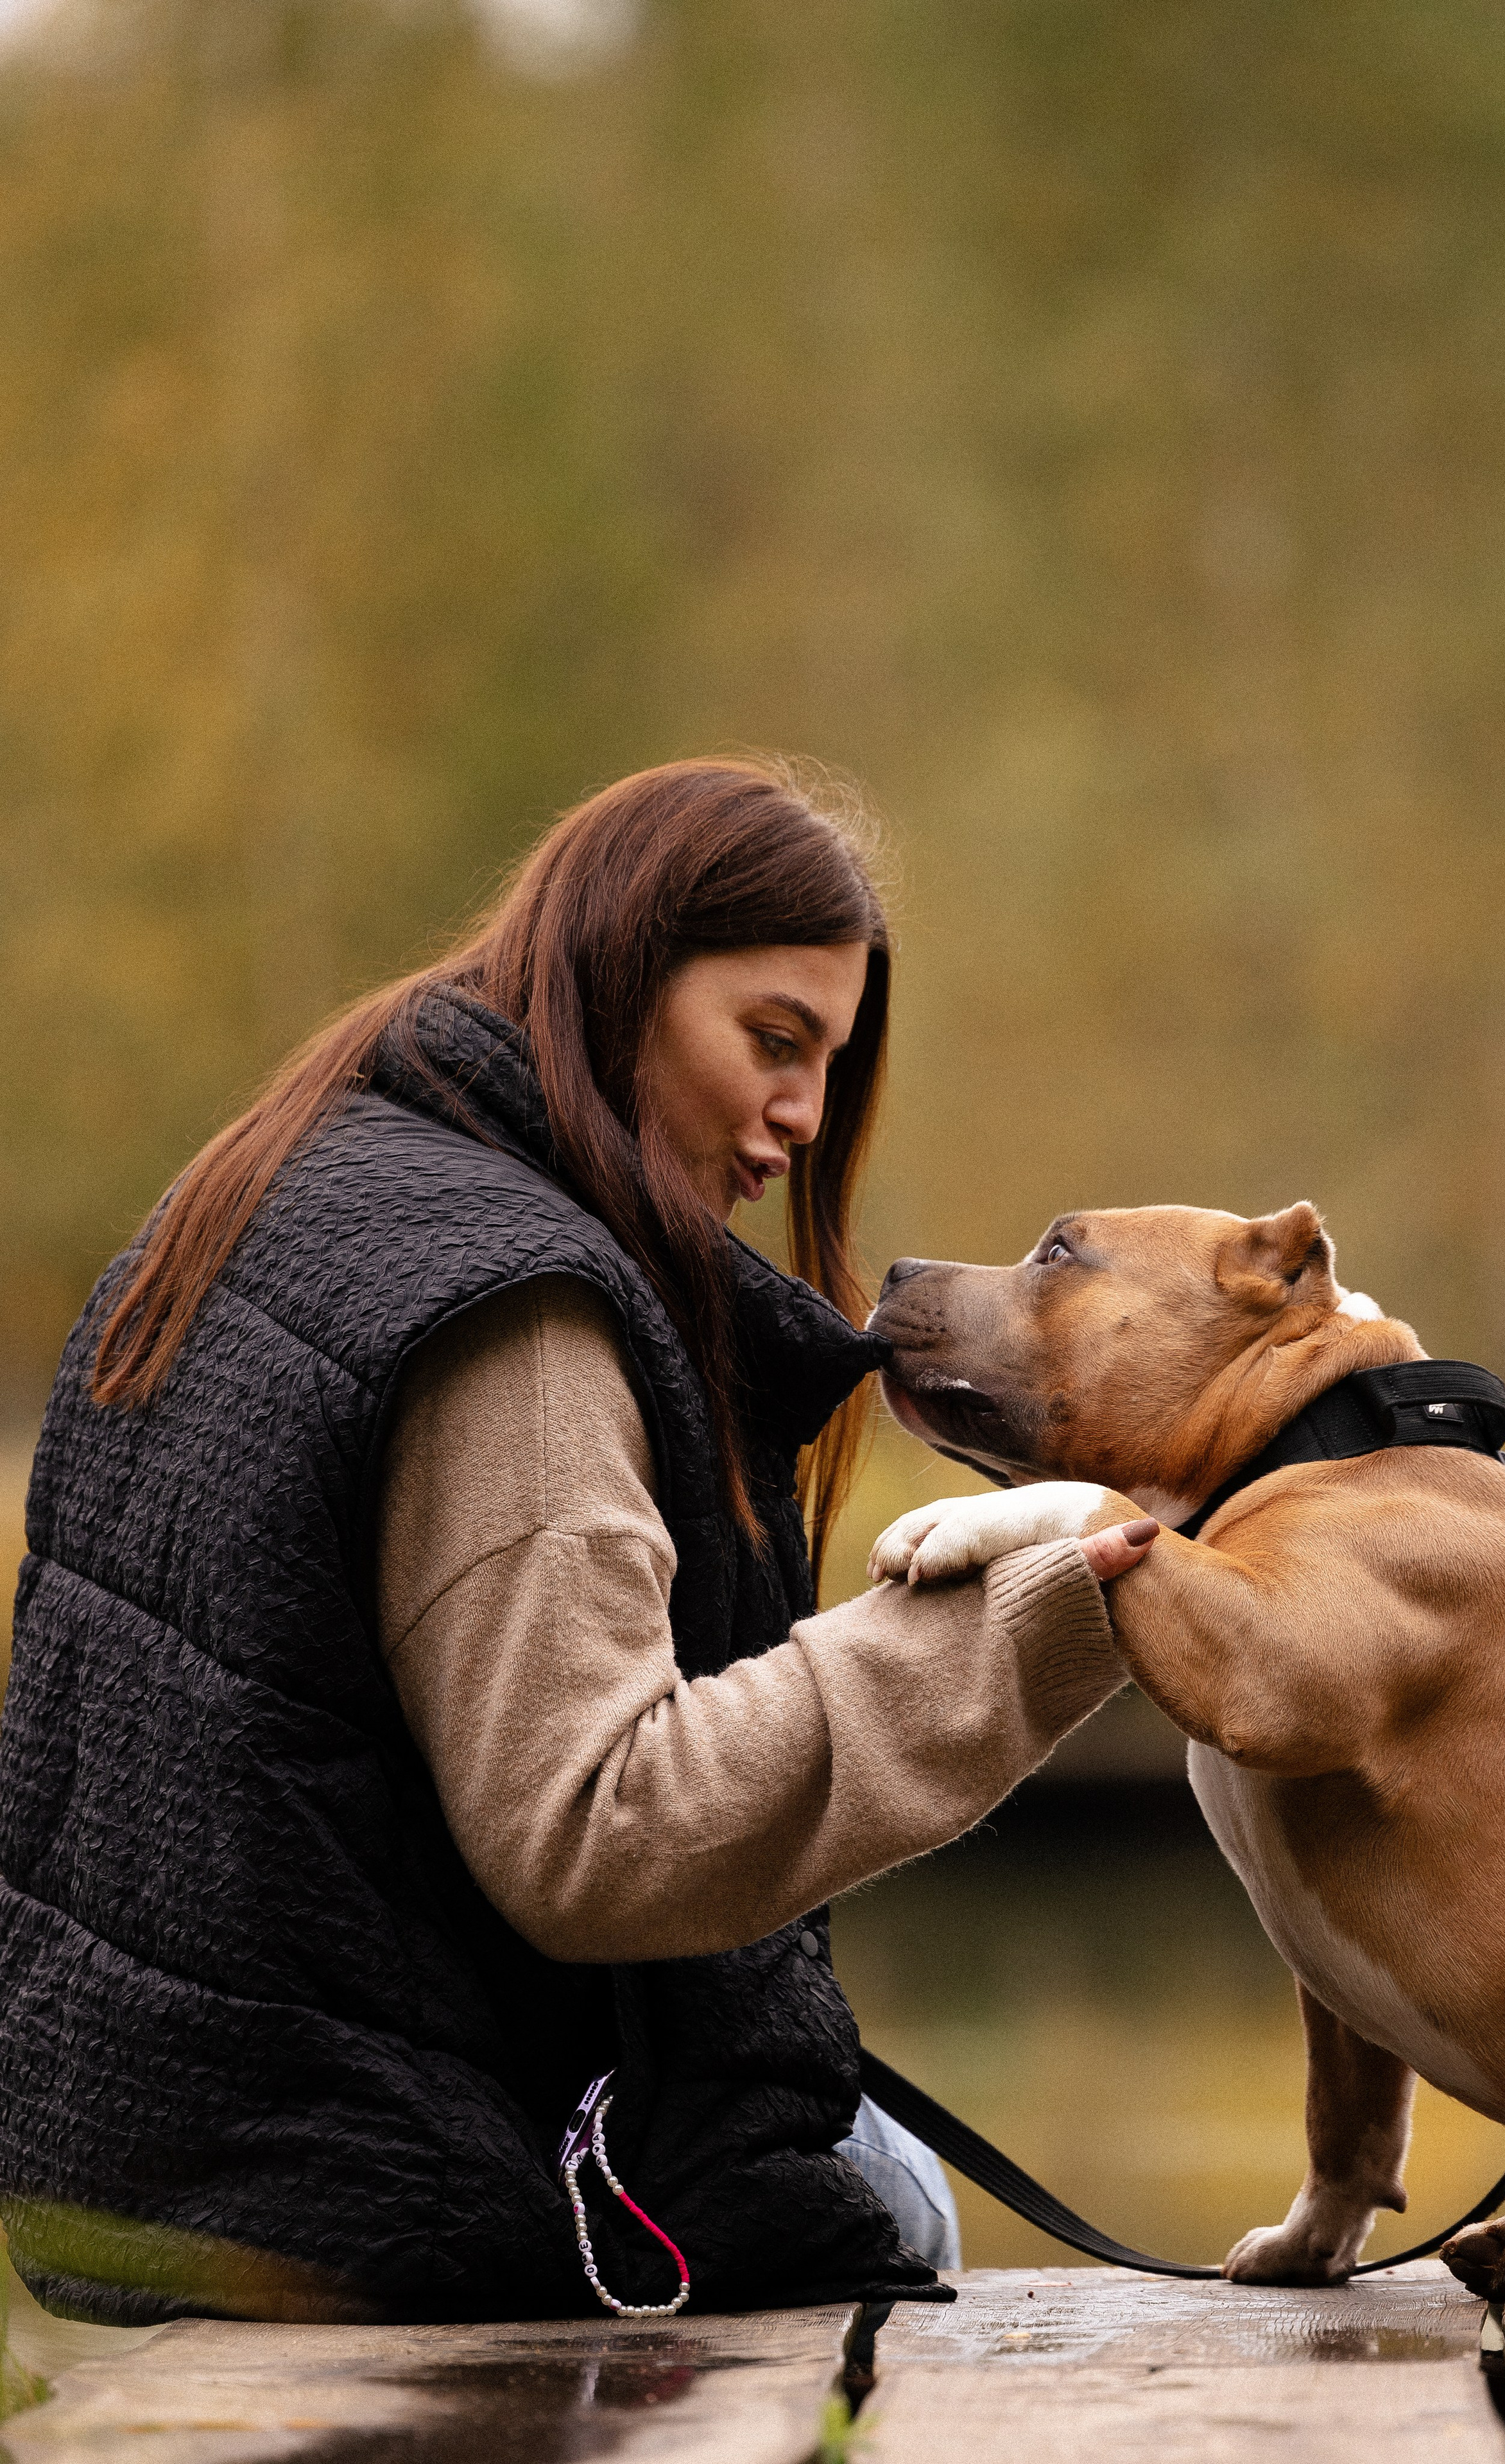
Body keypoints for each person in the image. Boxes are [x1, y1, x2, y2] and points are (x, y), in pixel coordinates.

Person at [0, 758, 1154, 2326]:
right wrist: (1050, 1597)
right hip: (384, 2185)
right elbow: (599, 1827)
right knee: (900, 2199)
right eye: (771, 1039)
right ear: (620, 974)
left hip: (174, 2156)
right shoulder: (517, 1311)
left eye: (826, 1059)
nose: (803, 1117)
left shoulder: (290, 1181)